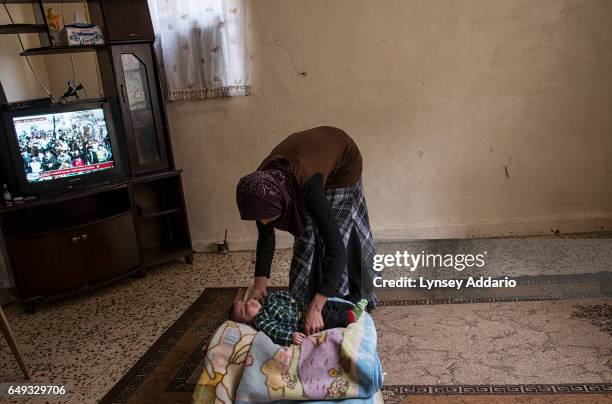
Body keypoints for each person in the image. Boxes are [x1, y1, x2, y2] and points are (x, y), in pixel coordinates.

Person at [236, 126, 377, 337]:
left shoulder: (304, 186)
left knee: (333, 232)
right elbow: (265, 238)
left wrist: (316, 308)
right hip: (308, 160)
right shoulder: (259, 190)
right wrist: (259, 284)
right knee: (307, 236)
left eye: (269, 217)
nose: (264, 221)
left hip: (342, 163)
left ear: (283, 202)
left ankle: (341, 298)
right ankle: (307, 295)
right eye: (260, 218)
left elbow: (336, 249)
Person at [229, 289, 367, 346]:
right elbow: (275, 331)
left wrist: (291, 298)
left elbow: (281, 294)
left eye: (245, 301)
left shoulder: (267, 300)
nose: (248, 304)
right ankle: (350, 316)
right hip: (303, 322)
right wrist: (290, 336)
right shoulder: (261, 320)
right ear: (246, 322)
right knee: (330, 318)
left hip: (305, 306)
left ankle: (350, 307)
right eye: (243, 310)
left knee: (329, 304)